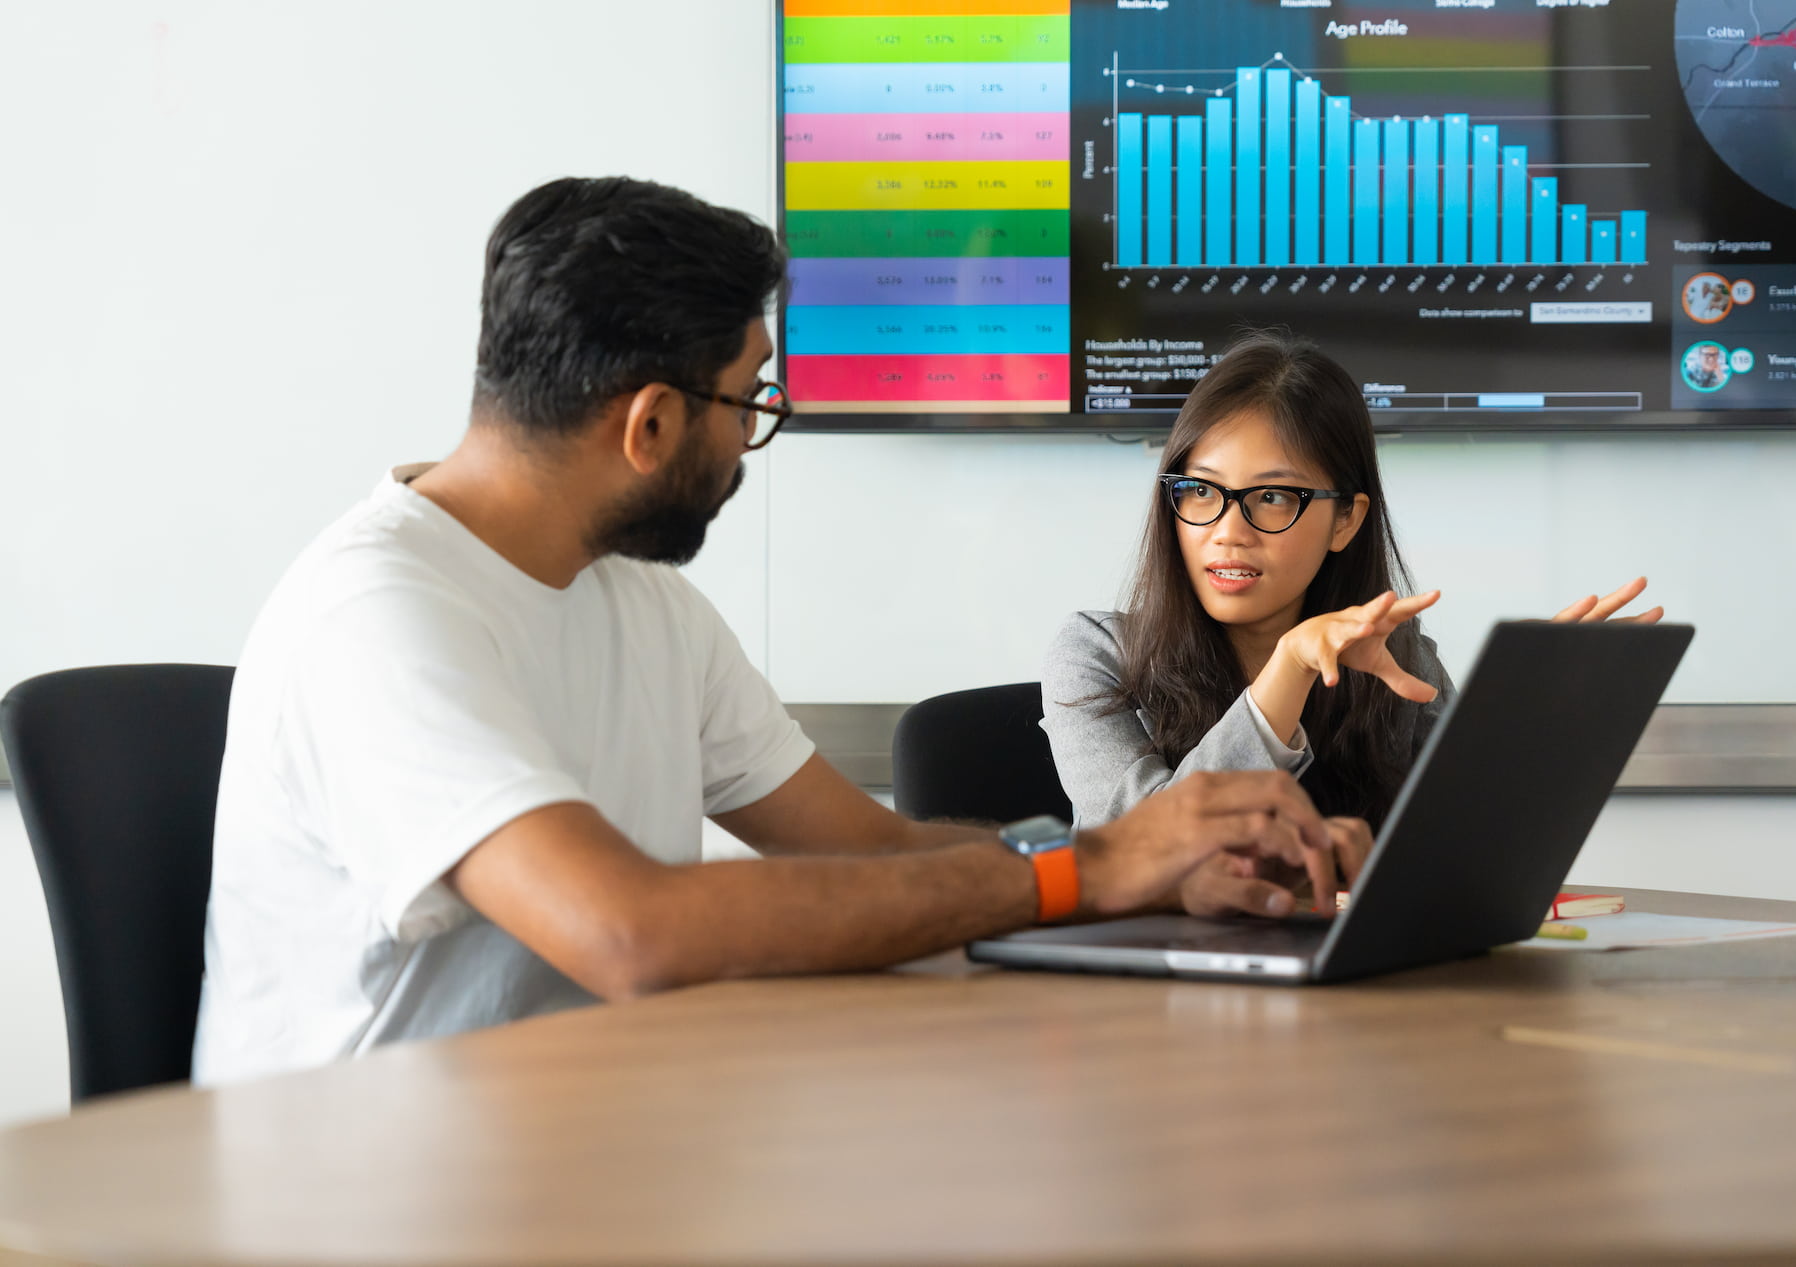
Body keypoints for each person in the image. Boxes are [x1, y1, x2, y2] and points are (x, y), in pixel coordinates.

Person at [193, 179, 1348, 1085]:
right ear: (650, 423)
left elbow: (865, 851)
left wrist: (1154, 872)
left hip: (593, 1138)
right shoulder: (377, 616)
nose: (754, 435)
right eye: (752, 399)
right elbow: (627, 931)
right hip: (361, 1198)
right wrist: (1087, 868)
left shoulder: (646, 606)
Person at [1041, 331, 1662, 919]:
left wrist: (1512, 710)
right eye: (1200, 492)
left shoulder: (1394, 658)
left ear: (1345, 520)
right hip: (1149, 1003)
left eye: (1274, 497)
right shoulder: (1095, 651)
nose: (1228, 531)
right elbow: (1127, 857)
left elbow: (1464, 857)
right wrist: (1290, 669)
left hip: (1353, 994)